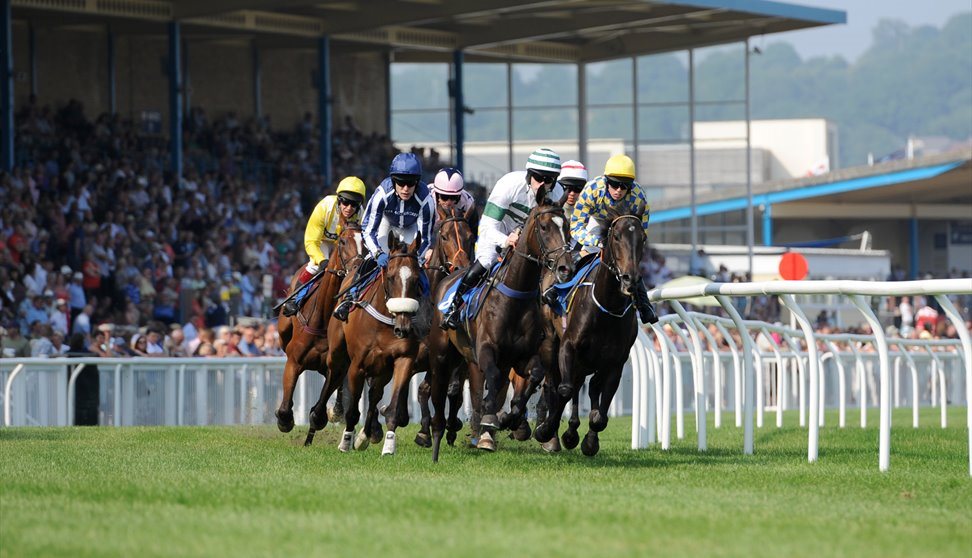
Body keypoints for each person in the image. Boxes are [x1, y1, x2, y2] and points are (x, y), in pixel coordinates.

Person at [440, 147, 563, 330]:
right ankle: (454, 306)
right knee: (487, 260)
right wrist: (506, 240)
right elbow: (488, 226)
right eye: (539, 178)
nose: (543, 185)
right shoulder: (510, 184)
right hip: (498, 232)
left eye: (549, 180)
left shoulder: (557, 193)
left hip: (527, 241)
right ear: (529, 175)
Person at [333, 153, 434, 321]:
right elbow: (367, 229)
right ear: (393, 180)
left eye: (410, 183)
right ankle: (350, 298)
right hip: (386, 225)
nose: (405, 189)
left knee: (415, 268)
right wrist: (378, 253)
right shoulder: (382, 193)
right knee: (368, 260)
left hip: (411, 228)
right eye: (400, 183)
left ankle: (427, 304)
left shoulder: (426, 200)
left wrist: (416, 259)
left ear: (417, 182)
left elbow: (426, 239)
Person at [569, 154, 657, 324]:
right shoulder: (591, 190)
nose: (618, 190)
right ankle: (562, 289)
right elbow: (576, 227)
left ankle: (644, 304)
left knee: (629, 262)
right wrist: (596, 243)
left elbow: (640, 235)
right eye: (614, 184)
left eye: (624, 186)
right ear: (606, 181)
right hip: (597, 221)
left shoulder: (640, 199)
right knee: (584, 252)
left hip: (623, 226)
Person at [281, 176, 367, 317]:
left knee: (354, 270)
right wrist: (321, 260)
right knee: (315, 266)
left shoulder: (361, 215)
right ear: (339, 199)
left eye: (354, 204)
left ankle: (349, 301)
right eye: (345, 202)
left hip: (344, 245)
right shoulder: (325, 207)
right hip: (322, 241)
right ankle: (295, 299)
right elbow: (311, 240)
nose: (349, 208)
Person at [424, 166, 478, 262]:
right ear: (437, 194)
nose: (449, 202)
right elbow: (422, 229)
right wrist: (428, 249)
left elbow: (471, 237)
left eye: (453, 198)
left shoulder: (468, 203)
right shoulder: (426, 199)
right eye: (444, 197)